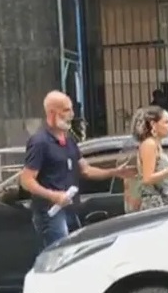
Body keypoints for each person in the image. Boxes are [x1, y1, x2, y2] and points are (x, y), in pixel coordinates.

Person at [20, 90, 134, 250]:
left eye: (71, 109)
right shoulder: (40, 142)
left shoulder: (69, 141)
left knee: (74, 256)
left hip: (71, 208)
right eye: (66, 110)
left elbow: (86, 170)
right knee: (59, 258)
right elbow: (26, 180)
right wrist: (53, 195)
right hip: (51, 213)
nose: (72, 115)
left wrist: (114, 172)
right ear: (52, 113)